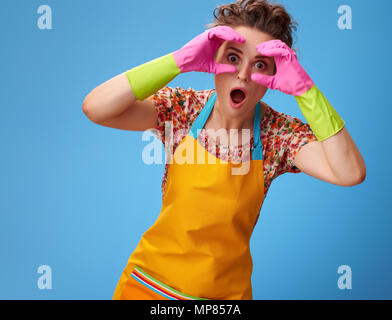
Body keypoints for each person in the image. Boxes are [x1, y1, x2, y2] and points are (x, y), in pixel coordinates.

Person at [82, 0, 366, 300]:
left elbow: (349, 172)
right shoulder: (183, 110)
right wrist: (178, 61)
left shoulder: (277, 135)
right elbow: (97, 108)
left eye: (260, 64)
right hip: (149, 287)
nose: (243, 74)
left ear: (275, 77)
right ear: (210, 60)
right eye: (233, 57)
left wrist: (306, 91)